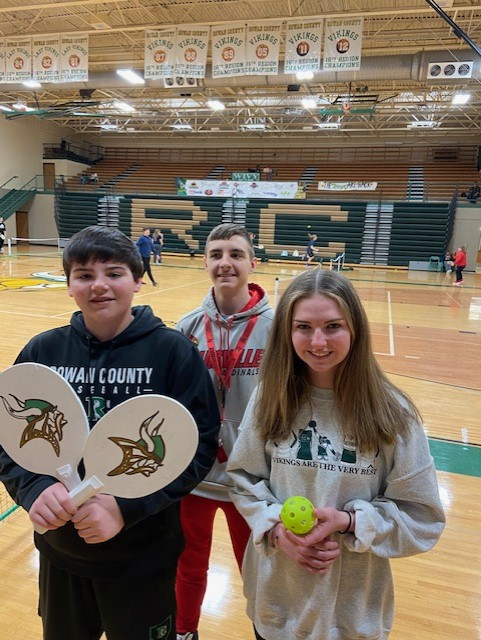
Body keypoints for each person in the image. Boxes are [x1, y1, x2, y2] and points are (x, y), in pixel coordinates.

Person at [0, 225, 221, 640]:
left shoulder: (173, 352)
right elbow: (7, 438)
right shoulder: (42, 352)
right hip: (60, 557)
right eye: (84, 275)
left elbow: (198, 447)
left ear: (138, 281)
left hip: (144, 558)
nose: (99, 285)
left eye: (114, 273)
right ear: (69, 286)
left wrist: (127, 509)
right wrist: (31, 490)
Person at [227, 269, 445, 640]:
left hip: (352, 618)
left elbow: (423, 518)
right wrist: (277, 529)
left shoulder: (394, 412)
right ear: (286, 331)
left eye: (332, 326)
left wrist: (349, 522)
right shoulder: (268, 399)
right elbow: (244, 481)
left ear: (355, 330)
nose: (318, 342)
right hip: (276, 608)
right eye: (303, 327)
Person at [175, 223, 274, 640]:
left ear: (253, 262)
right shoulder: (187, 327)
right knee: (188, 563)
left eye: (235, 254)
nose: (225, 263)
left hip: (251, 479)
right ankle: (184, 632)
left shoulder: (280, 325)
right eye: (216, 254)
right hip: (195, 476)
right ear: (205, 263)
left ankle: (265, 631)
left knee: (256, 570)